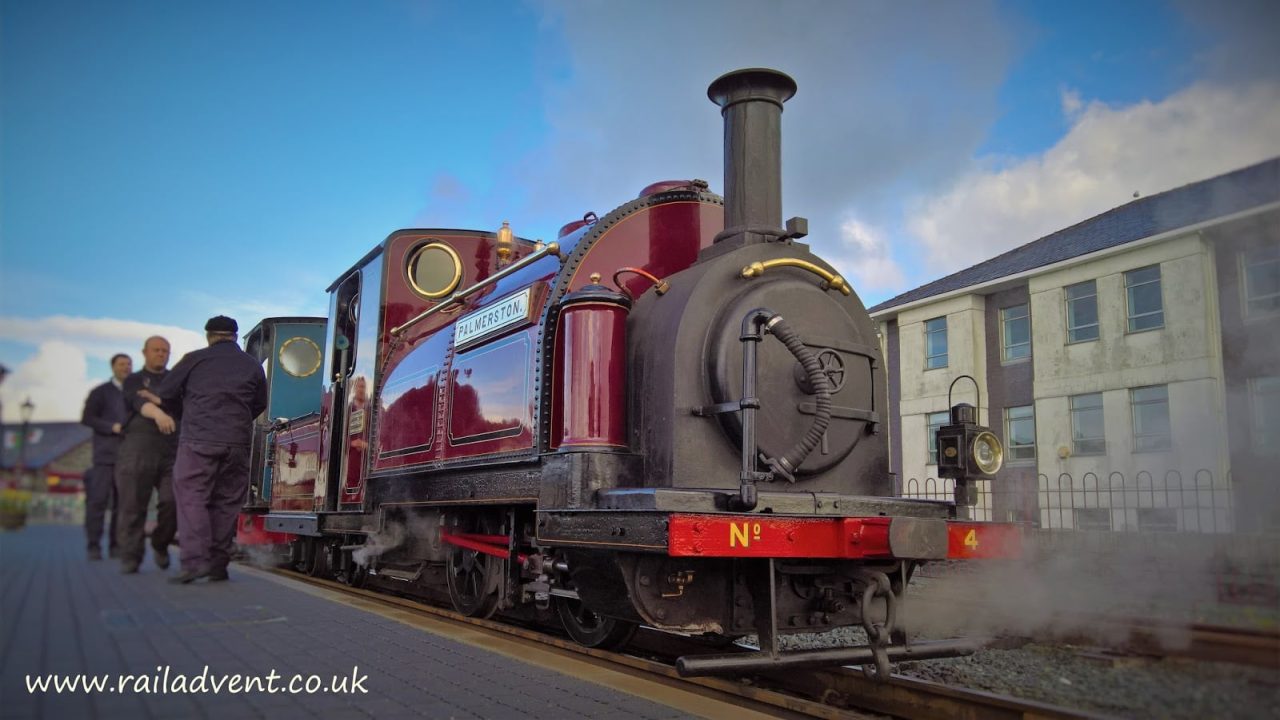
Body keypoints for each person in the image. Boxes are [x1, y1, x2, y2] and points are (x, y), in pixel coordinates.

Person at [141, 316, 267, 584]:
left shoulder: (194, 359)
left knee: (192, 499)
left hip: (198, 440)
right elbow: (259, 403)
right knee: (226, 503)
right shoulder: (252, 365)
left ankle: (195, 562)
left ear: (209, 335)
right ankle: (218, 565)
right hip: (237, 443)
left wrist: (187, 416)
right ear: (235, 336)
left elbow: (167, 395)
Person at [115, 336, 178, 574]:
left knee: (172, 502)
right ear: (145, 352)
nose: (161, 354)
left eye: (165, 351)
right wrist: (160, 414)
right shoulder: (133, 380)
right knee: (132, 507)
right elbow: (139, 402)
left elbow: (183, 405)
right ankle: (131, 557)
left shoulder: (175, 379)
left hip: (171, 450)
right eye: (156, 350)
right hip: (138, 448)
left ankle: (160, 544)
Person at [80, 353, 131, 560]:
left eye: (129, 364)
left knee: (122, 505)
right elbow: (87, 418)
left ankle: (115, 546)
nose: (126, 368)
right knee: (98, 502)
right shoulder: (100, 392)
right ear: (113, 367)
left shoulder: (134, 392)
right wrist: (111, 427)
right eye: (121, 364)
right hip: (103, 456)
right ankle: (94, 545)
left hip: (127, 456)